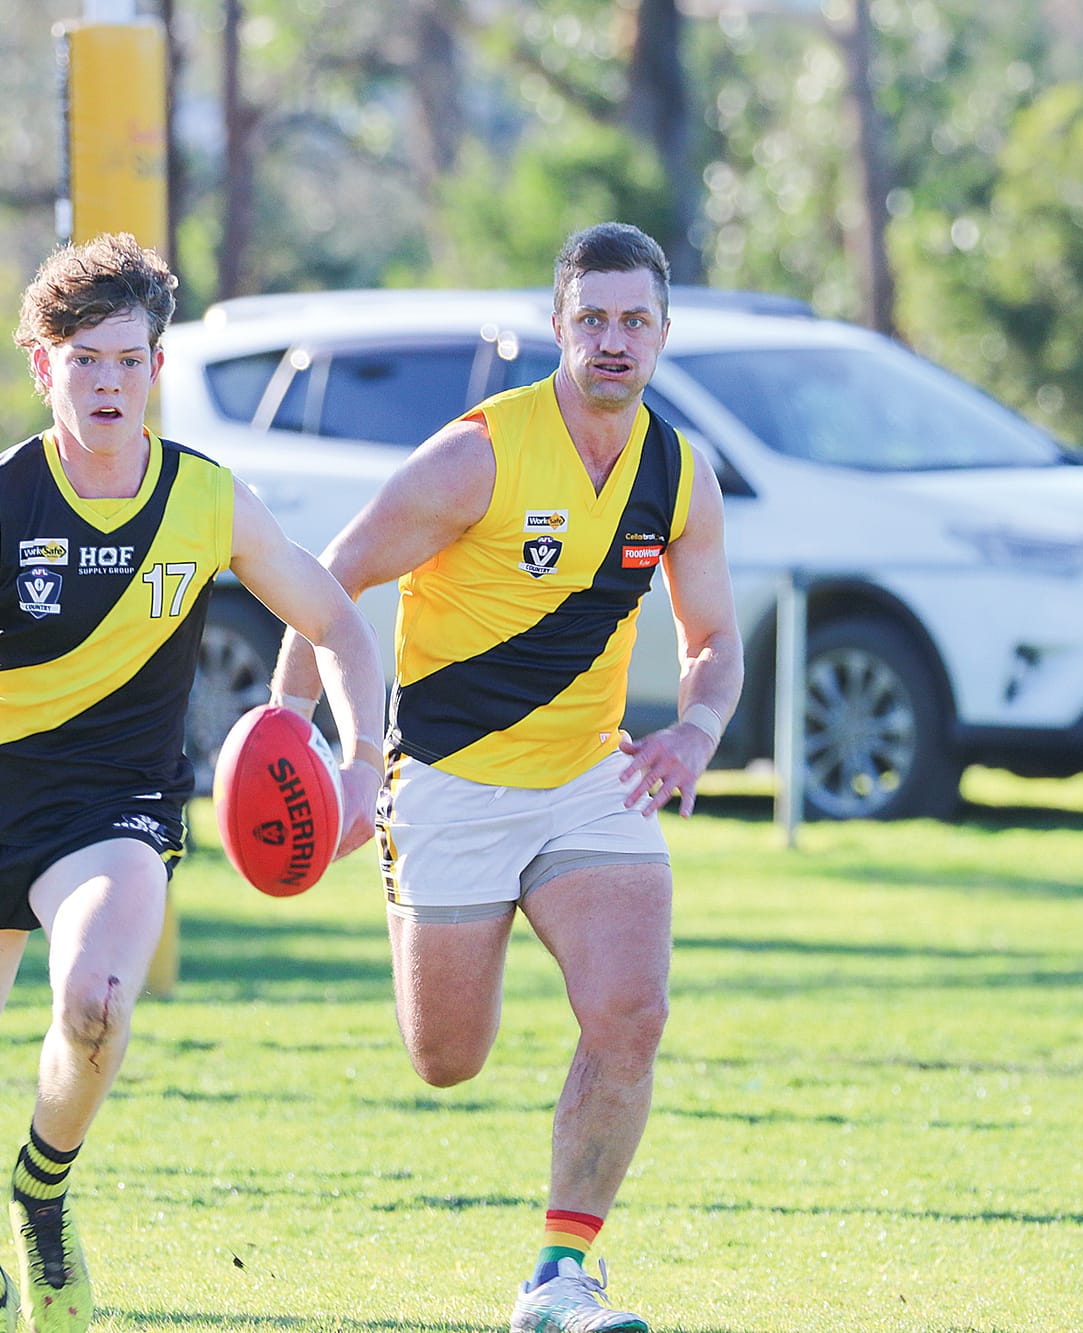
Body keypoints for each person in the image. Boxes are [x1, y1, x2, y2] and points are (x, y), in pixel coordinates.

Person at [0, 233, 385, 1333]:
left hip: (117, 807)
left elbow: (337, 622)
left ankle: (44, 1192)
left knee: (99, 999)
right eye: (85, 360)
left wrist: (356, 764)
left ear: (155, 367)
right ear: (40, 366)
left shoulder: (204, 499)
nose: (108, 383)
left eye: (128, 359)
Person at [276, 222, 745, 1333]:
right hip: (447, 782)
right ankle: (418, 890)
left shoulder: (676, 472)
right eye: (593, 319)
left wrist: (694, 730)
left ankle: (559, 1274)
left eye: (634, 320)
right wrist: (307, 742)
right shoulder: (475, 454)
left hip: (591, 778)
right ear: (557, 327)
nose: (613, 340)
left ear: (663, 332)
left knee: (630, 1011)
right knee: (448, 1057)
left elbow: (711, 638)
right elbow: (326, 580)